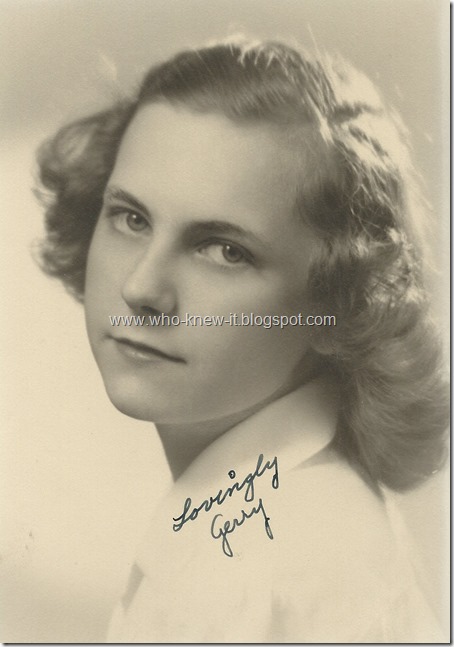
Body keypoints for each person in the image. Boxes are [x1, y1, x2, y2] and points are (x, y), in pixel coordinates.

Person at [35, 37, 448, 642]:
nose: (141, 287)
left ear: (336, 303)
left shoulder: (253, 576)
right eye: (131, 218)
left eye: (225, 251)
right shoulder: (274, 515)